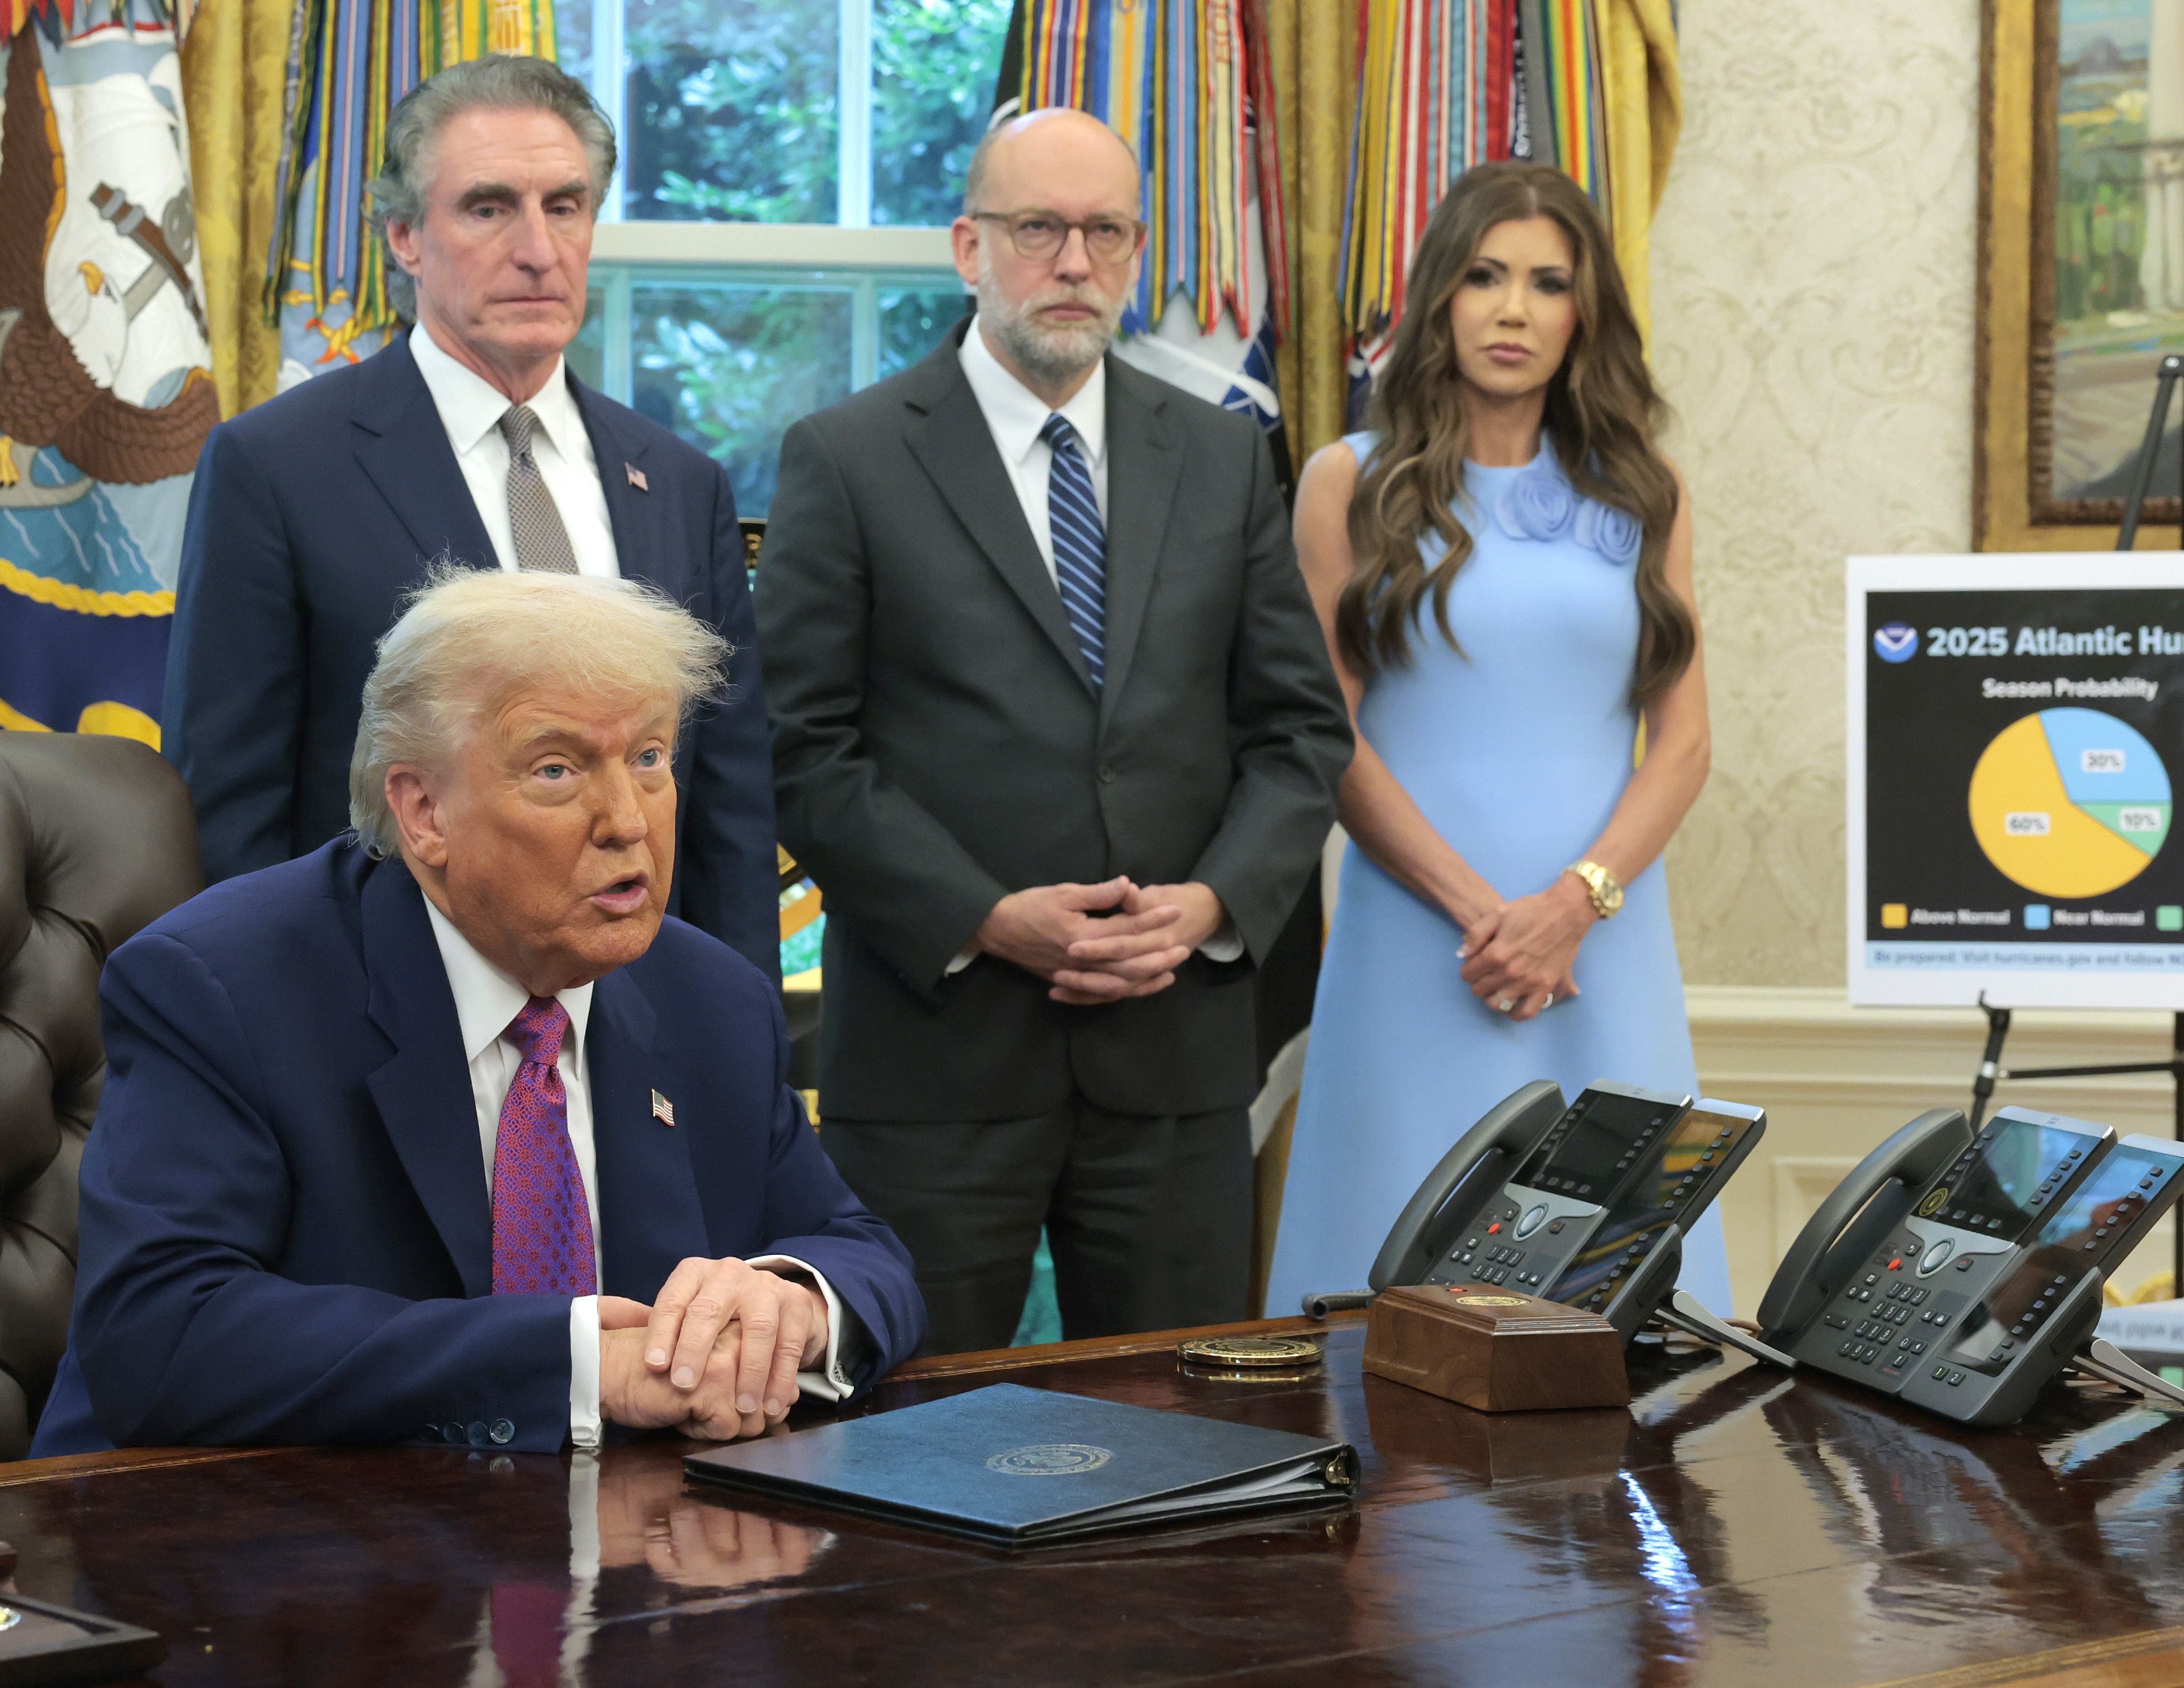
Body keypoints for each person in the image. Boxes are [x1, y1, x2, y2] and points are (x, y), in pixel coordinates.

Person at [32, 569, 923, 1456]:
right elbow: (160, 1334)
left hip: (621, 1551)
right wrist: (575, 1365)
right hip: (240, 1551)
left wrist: (794, 1303)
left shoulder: (711, 998)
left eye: (650, 757)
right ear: (423, 812)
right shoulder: (221, 985)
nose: (628, 820)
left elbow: (861, 1250)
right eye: (557, 768)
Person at [753, 108, 1351, 1356]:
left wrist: (1208, 906)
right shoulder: (847, 458)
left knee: (1179, 1449)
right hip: (937, 1064)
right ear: (968, 246)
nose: (1073, 262)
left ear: (1135, 255)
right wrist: (983, 916)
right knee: (911, 1443)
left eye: (1105, 232)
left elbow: (1297, 731)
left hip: (1173, 1057)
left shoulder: (1221, 457)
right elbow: (798, 745)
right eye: (1039, 229)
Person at [162, 55, 779, 981]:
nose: (537, 248)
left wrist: (741, 1051)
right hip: (375, 1024)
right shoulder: (277, 466)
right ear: (405, 237)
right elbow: (229, 809)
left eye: (565, 207)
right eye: (490, 208)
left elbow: (729, 814)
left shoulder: (681, 482)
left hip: (638, 1037)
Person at [1264, 161, 1729, 1315]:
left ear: (1584, 315)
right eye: (1482, 276)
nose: (1512, 308)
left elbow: (1679, 744)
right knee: (1390, 1288)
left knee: (1616, 1300)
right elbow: (1327, 733)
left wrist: (1569, 906)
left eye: (1544, 282)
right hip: (1418, 949)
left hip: (1600, 948)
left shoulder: (1644, 492)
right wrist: (1487, 917)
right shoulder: (1346, 482)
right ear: (1439, 300)